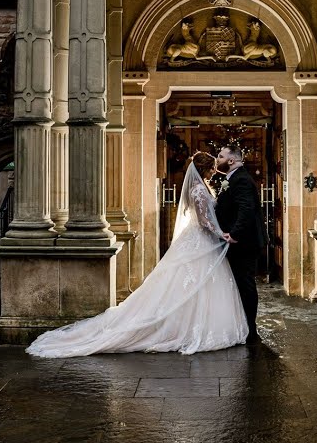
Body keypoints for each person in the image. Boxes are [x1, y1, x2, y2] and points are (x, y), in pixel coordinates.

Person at [25, 154, 248, 357]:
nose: (213, 172)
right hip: (199, 239)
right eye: (210, 168)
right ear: (203, 169)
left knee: (193, 284)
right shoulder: (199, 190)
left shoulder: (201, 187)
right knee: (192, 283)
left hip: (199, 241)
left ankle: (191, 324)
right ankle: (184, 327)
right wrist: (222, 234)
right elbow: (203, 220)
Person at [213, 145, 267, 344]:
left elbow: (246, 209)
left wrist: (235, 234)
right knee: (241, 284)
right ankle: (244, 326)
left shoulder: (241, 180)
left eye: (220, 156)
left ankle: (251, 331)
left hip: (243, 244)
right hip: (240, 243)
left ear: (231, 161)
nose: (217, 159)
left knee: (245, 285)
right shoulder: (234, 178)